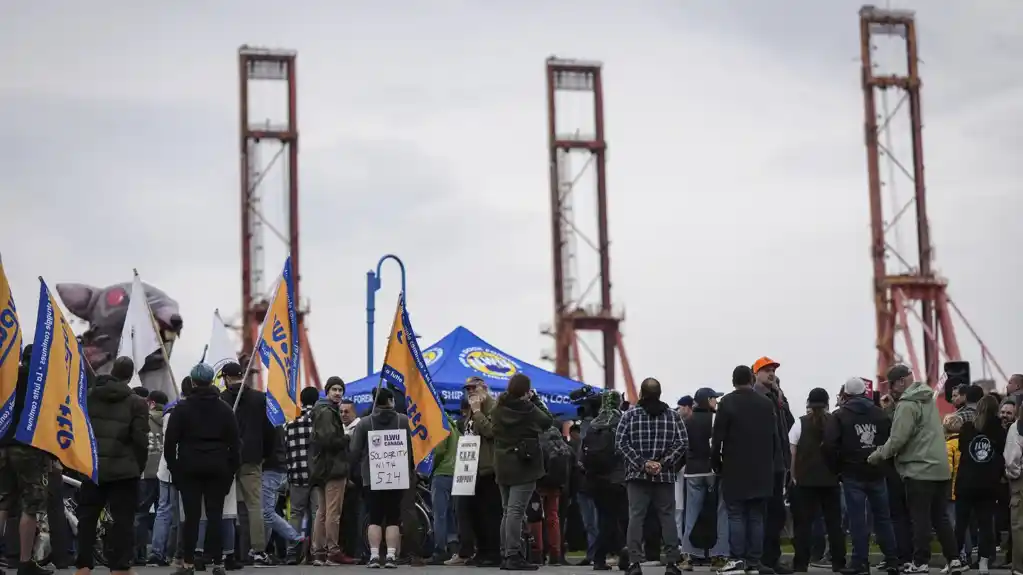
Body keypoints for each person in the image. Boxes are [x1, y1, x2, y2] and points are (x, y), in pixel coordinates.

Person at [867, 364, 963, 574]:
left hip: (919, 470)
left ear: (901, 381)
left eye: (892, 384)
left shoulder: (907, 404)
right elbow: (916, 430)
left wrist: (877, 455)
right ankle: (954, 559)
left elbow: (899, 438)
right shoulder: (927, 399)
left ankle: (920, 562)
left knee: (920, 519)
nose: (890, 388)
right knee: (941, 518)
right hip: (940, 469)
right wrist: (892, 409)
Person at [74, 356, 150, 575]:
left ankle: (84, 565)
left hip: (93, 467)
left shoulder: (89, 397)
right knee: (123, 520)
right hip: (125, 470)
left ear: (113, 371)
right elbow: (140, 440)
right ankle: (120, 566)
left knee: (87, 518)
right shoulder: (137, 402)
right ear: (128, 376)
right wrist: (138, 466)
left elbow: (81, 431)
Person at [164, 363, 241, 575]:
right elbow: (235, 444)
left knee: (192, 517)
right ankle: (217, 562)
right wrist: (230, 471)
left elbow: (170, 444)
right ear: (211, 381)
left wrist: (176, 470)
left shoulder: (182, 408)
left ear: (193, 381)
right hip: (218, 466)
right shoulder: (224, 409)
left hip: (189, 466)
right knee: (215, 514)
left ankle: (188, 562)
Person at [823, 377, 898, 575]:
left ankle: (860, 562)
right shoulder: (880, 414)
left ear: (845, 394)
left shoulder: (839, 416)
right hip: (877, 471)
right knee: (883, 518)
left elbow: (829, 445)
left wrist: (837, 468)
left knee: (857, 519)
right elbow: (891, 441)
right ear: (865, 393)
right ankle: (892, 560)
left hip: (851, 472)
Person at [712, 366, 780, 575]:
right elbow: (774, 437)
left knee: (736, 515)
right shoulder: (766, 403)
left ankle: (737, 559)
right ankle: (754, 562)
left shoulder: (727, 403)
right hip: (762, 468)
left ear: (733, 381)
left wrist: (717, 463)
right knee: (756, 516)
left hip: (735, 467)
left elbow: (718, 438)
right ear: (751, 379)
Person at [617, 377, 687, 575]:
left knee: (636, 517)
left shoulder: (629, 416)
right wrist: (663, 463)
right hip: (664, 477)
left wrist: (642, 463)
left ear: (641, 393)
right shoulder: (673, 417)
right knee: (667, 518)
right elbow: (682, 442)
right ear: (660, 393)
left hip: (637, 476)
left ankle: (634, 563)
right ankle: (672, 563)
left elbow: (621, 443)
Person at [492, 373, 556, 571]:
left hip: (502, 463)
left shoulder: (498, 408)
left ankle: (505, 552)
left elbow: (492, 428)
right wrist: (535, 399)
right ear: (526, 390)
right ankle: (513, 554)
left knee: (507, 511)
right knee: (516, 511)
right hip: (524, 464)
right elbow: (547, 421)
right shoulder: (528, 409)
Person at [0, 344, 54, 575]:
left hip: (4, 445)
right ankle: (25, 562)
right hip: (29, 446)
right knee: (31, 505)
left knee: (2, 502)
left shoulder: (7, 376)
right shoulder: (42, 383)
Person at [348, 387, 414, 569]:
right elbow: (413, 448)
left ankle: (375, 556)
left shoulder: (364, 424)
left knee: (375, 517)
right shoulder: (403, 421)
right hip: (397, 475)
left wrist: (353, 473)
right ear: (391, 401)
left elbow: (354, 452)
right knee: (393, 517)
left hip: (372, 477)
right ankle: (392, 556)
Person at [219, 360, 274, 564]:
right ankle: (258, 550)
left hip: (226, 459)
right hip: (252, 458)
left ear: (225, 378)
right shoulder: (259, 399)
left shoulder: (221, 399)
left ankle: (226, 549)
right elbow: (270, 431)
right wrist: (264, 454)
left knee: (226, 506)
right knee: (254, 506)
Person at [788, 388, 845, 573]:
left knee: (803, 525)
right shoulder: (834, 422)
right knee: (834, 524)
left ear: (809, 403)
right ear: (827, 403)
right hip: (830, 480)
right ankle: (839, 562)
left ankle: (801, 563)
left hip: (805, 481)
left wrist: (794, 476)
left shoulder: (800, 423)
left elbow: (792, 452)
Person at [450, 376, 502, 567]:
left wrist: (478, 412)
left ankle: (493, 553)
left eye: (474, 388)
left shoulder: (494, 407)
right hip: (472, 468)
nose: (470, 391)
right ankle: (481, 551)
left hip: (489, 468)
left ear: (484, 388)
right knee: (475, 513)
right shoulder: (471, 410)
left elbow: (491, 431)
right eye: (467, 389)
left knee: (490, 514)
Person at [751, 356, 795, 575]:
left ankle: (773, 558)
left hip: (779, 465)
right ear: (756, 373)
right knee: (762, 514)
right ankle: (759, 559)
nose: (771, 373)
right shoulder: (755, 397)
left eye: (773, 370)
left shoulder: (776, 396)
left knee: (776, 515)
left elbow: (789, 422)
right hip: (762, 466)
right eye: (766, 370)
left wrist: (781, 397)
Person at [954, 395, 1005, 575]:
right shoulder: (1000, 430)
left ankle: (955, 559)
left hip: (966, 482)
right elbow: (1002, 456)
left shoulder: (967, 428)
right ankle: (983, 562)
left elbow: (962, 449)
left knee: (961, 523)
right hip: (989, 484)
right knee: (985, 524)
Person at [679, 388, 729, 570]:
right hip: (713, 470)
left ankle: (689, 555)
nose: (716, 402)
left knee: (691, 513)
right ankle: (718, 555)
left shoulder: (687, 421)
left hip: (693, 471)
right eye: (714, 398)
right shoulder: (716, 418)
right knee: (720, 512)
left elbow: (684, 446)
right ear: (707, 400)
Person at [308, 376, 353, 565]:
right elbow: (329, 441)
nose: (337, 393)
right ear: (327, 391)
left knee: (323, 512)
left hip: (321, 468)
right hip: (333, 468)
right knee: (332, 512)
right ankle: (332, 551)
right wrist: (347, 437)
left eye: (340, 390)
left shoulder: (321, 409)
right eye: (334, 389)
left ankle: (318, 552)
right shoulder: (327, 412)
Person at [583, 390, 628, 571]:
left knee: (604, 518)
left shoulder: (593, 424)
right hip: (617, 478)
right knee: (620, 518)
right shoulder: (622, 421)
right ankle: (621, 551)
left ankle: (602, 557)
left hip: (595, 479)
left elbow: (583, 453)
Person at [284, 386, 320, 565]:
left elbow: (285, 451)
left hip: (296, 475)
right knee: (317, 513)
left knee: (295, 514)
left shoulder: (289, 424)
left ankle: (292, 552)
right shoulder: (318, 421)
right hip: (316, 476)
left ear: (301, 401)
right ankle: (314, 552)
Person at [137, 390, 169, 564]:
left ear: (152, 403)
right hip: (164, 472)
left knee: (141, 513)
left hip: (145, 471)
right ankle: (161, 552)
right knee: (163, 513)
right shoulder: (168, 420)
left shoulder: (143, 419)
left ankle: (139, 553)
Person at [428, 413, 460, 565]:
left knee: (439, 514)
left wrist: (429, 468)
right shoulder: (452, 423)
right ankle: (453, 547)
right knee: (450, 514)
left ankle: (439, 550)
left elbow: (439, 450)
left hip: (441, 472)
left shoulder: (438, 423)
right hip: (455, 472)